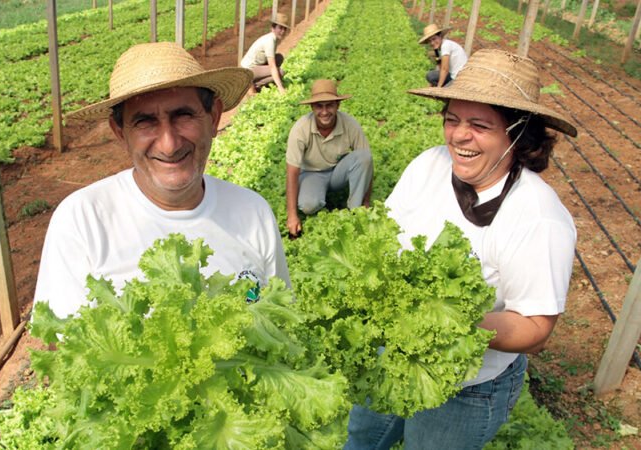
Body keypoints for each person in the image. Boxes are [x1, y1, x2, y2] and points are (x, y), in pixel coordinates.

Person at [344, 49, 578, 449]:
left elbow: (536, 328)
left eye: (479, 125)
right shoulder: (428, 165)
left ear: (518, 134)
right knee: (363, 440)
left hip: (467, 387)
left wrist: (445, 318)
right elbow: (385, 238)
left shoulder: (537, 215)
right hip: (393, 352)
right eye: (451, 120)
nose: (458, 135)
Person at [34, 42, 290, 319]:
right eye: (145, 122)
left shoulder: (253, 212)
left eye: (183, 115)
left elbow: (279, 324)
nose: (169, 145)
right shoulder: (82, 221)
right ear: (120, 133)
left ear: (214, 118)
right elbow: (60, 351)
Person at [285, 79, 373, 237]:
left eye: (329, 105)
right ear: (312, 107)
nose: (324, 112)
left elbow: (366, 162)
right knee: (308, 205)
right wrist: (292, 216)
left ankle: (356, 210)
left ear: (337, 105)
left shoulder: (350, 124)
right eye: (319, 106)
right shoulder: (300, 129)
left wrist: (366, 202)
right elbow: (292, 172)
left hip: (338, 172)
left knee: (364, 156)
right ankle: (318, 196)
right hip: (312, 174)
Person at [240, 12, 289, 94]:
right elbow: (272, 66)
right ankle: (252, 85)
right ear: (273, 28)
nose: (283, 31)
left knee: (279, 57)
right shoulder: (270, 41)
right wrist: (281, 88)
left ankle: (257, 83)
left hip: (255, 66)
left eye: (284, 29)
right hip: (247, 70)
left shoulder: (273, 38)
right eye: (280, 28)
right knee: (280, 72)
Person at [420, 23, 467, 87]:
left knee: (444, 92)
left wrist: (439, 87)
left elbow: (445, 69)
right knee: (430, 76)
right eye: (430, 41)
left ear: (440, 36)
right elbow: (441, 67)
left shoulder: (445, 46)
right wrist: (436, 51)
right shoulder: (443, 45)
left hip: (459, 77)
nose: (432, 43)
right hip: (452, 74)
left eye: (434, 39)